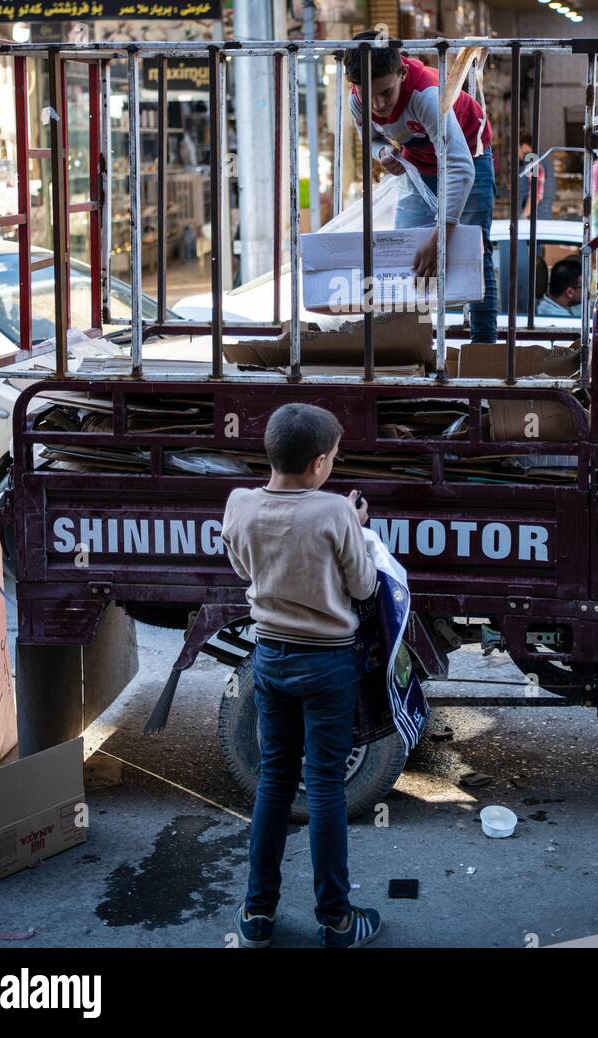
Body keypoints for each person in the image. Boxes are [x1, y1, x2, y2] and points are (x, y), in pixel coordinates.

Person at [221, 403, 381, 950]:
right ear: (318, 463)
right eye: (334, 457)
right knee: (326, 788)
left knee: (274, 780)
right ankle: (336, 920)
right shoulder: (335, 511)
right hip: (328, 663)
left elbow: (245, 568)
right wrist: (354, 530)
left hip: (270, 658)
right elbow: (362, 589)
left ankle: (256, 915)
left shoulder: (239, 504)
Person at [343, 34, 498, 343]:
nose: (378, 104)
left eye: (386, 92)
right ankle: (410, 347)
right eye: (368, 94)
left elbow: (460, 167)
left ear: (401, 72)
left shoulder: (427, 94)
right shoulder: (356, 100)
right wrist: (383, 154)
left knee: (474, 255)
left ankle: (484, 349)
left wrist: (439, 239)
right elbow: (371, 140)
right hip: (419, 164)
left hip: (470, 156)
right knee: (404, 255)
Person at [519, 142, 545, 218]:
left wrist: (524, 216)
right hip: (541, 217)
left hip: (534, 220)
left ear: (524, 147)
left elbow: (535, 194)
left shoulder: (532, 163)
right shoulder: (541, 160)